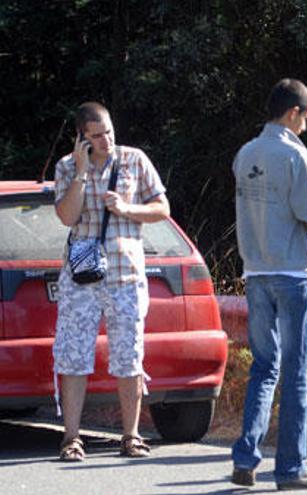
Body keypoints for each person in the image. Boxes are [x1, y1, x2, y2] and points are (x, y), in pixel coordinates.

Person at [230, 78, 307, 490]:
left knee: (264, 368)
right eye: (305, 118)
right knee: (296, 372)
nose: (306, 126)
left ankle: (246, 457)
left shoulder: (245, 153)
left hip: (254, 273)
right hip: (292, 273)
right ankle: (291, 468)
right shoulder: (294, 154)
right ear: (294, 112)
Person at [53, 101, 170, 461]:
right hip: (81, 275)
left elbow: (162, 208)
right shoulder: (67, 167)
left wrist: (127, 208)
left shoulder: (134, 159)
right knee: (73, 356)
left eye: (108, 132)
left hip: (125, 274)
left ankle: (130, 435)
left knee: (129, 355)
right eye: (96, 136)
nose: (105, 140)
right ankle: (71, 438)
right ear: (82, 139)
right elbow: (66, 215)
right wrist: (82, 174)